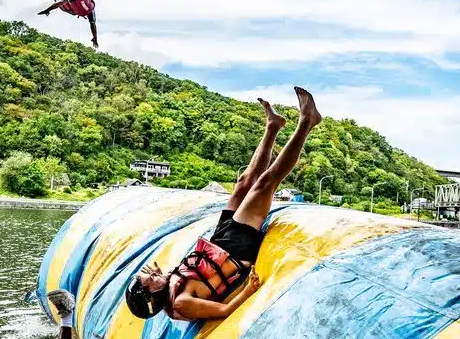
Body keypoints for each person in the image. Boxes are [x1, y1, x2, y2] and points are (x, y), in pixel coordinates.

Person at [124, 86, 322, 323]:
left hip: (220, 241)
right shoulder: (180, 303)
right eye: (151, 280)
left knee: (244, 182)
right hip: (237, 249)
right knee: (264, 183)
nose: (154, 273)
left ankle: (273, 126)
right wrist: (249, 289)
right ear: (153, 296)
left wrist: (160, 275)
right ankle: (307, 122)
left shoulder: (168, 288)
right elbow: (223, 311)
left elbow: (192, 273)